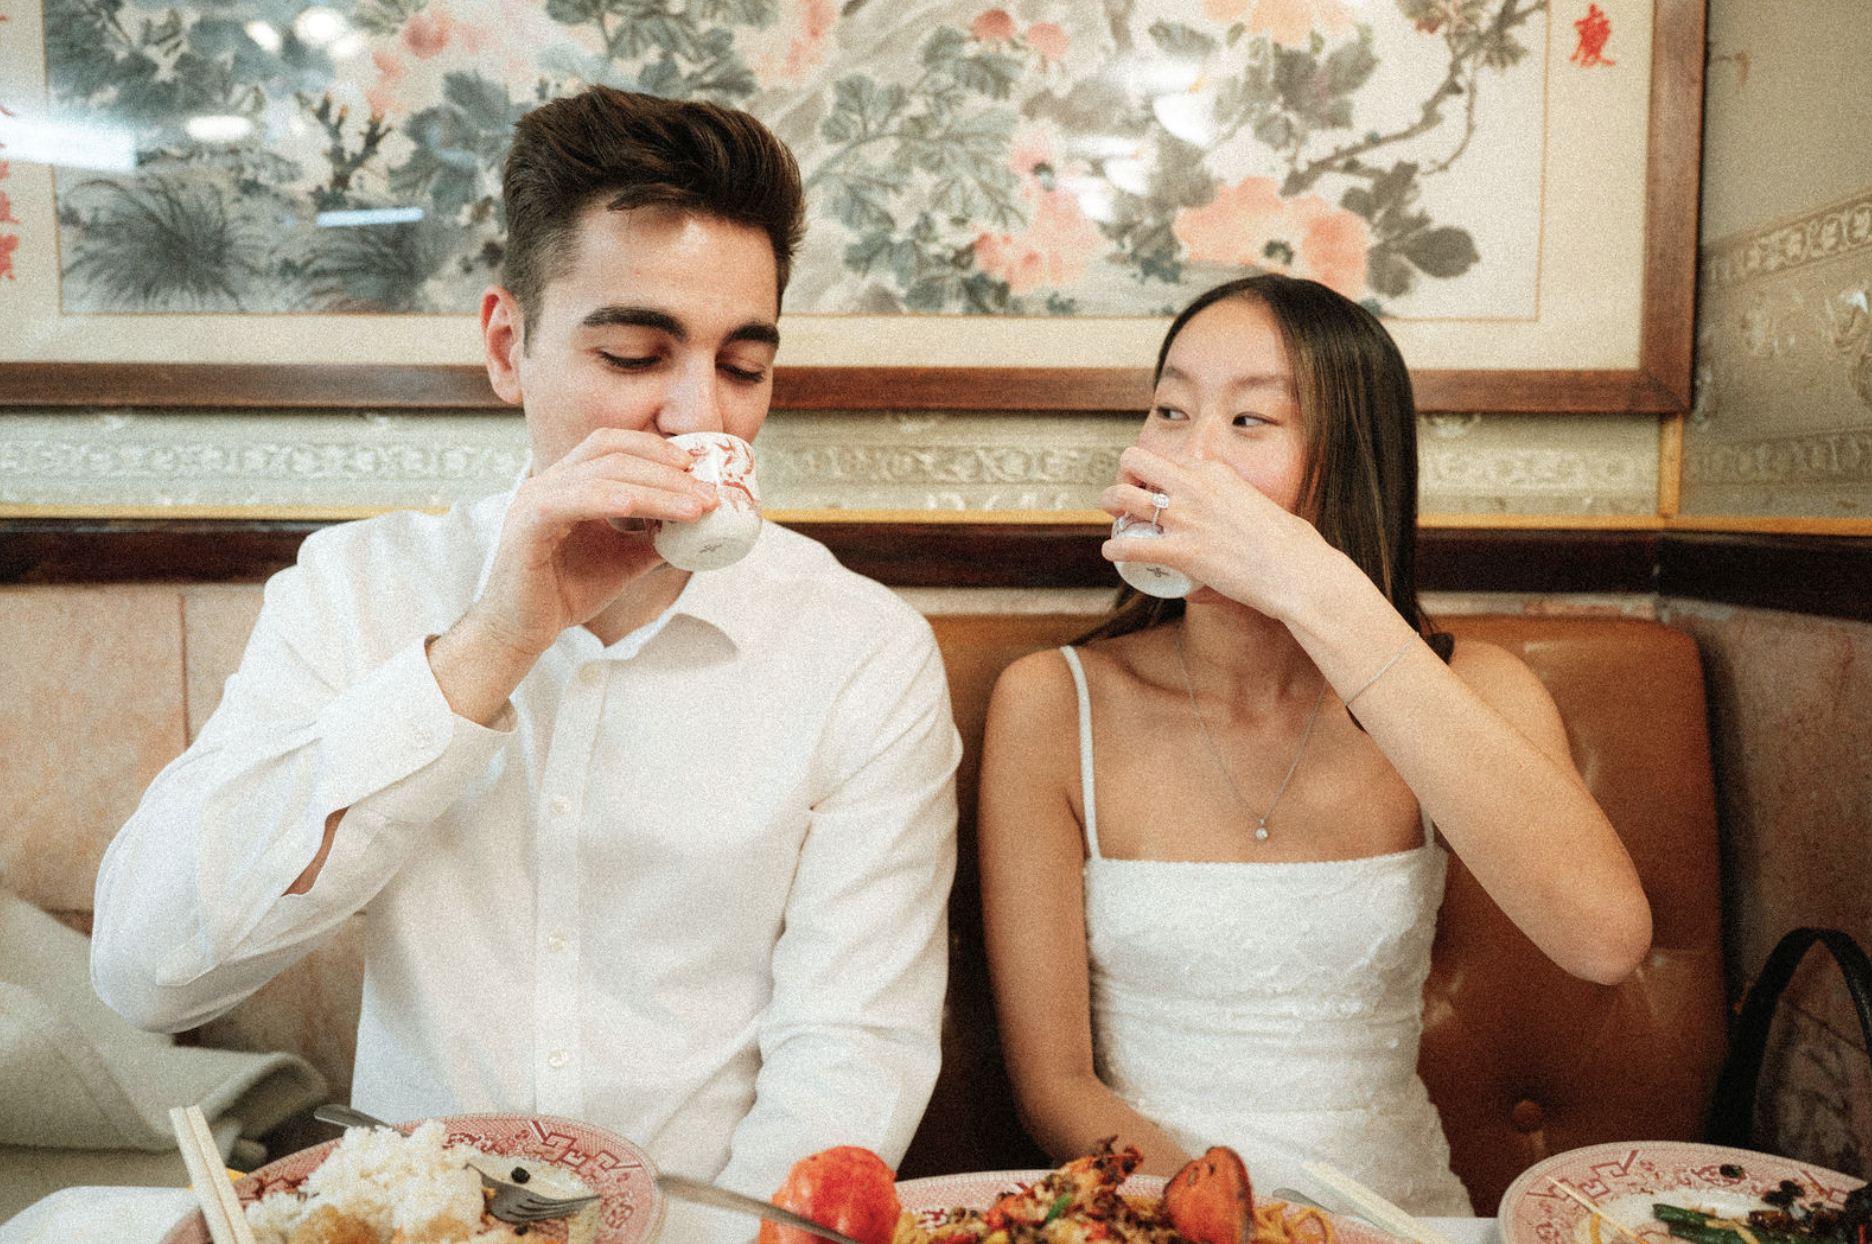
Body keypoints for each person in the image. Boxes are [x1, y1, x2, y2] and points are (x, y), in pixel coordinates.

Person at [90, 86, 961, 1230]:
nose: (699, 414)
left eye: (743, 367)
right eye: (638, 352)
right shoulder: (357, 590)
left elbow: (851, 1049)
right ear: (510, 347)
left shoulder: (862, 652)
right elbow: (148, 972)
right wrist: (485, 648)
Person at [976, 274, 1652, 1214]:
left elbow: (1606, 938)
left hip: (1399, 1218)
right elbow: (1056, 1083)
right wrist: (1244, 1229)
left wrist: (1313, 589)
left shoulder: (1471, 690)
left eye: (1251, 422)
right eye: (1170, 411)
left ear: (1350, 467)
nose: (1192, 454)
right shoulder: (1053, 703)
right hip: (1164, 1221)